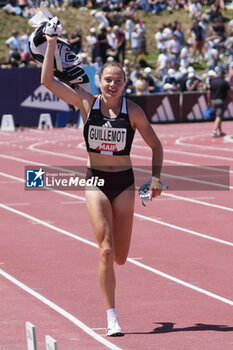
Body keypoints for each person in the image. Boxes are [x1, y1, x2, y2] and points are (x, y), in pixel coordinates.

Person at [41, 34, 164, 337]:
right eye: (108, 80)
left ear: (124, 84)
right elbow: (47, 81)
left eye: (118, 81)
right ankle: (112, 316)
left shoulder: (133, 112)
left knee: (121, 256)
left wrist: (157, 176)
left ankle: (114, 287)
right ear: (98, 81)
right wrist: (52, 44)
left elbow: (156, 145)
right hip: (95, 181)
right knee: (106, 251)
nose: (112, 85)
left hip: (124, 183)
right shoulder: (86, 102)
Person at [207, 69, 233, 137]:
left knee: (218, 117)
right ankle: (214, 131)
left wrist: (209, 101)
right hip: (221, 101)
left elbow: (209, 93)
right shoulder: (224, 82)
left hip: (213, 101)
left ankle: (221, 131)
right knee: (219, 117)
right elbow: (229, 92)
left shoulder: (212, 82)